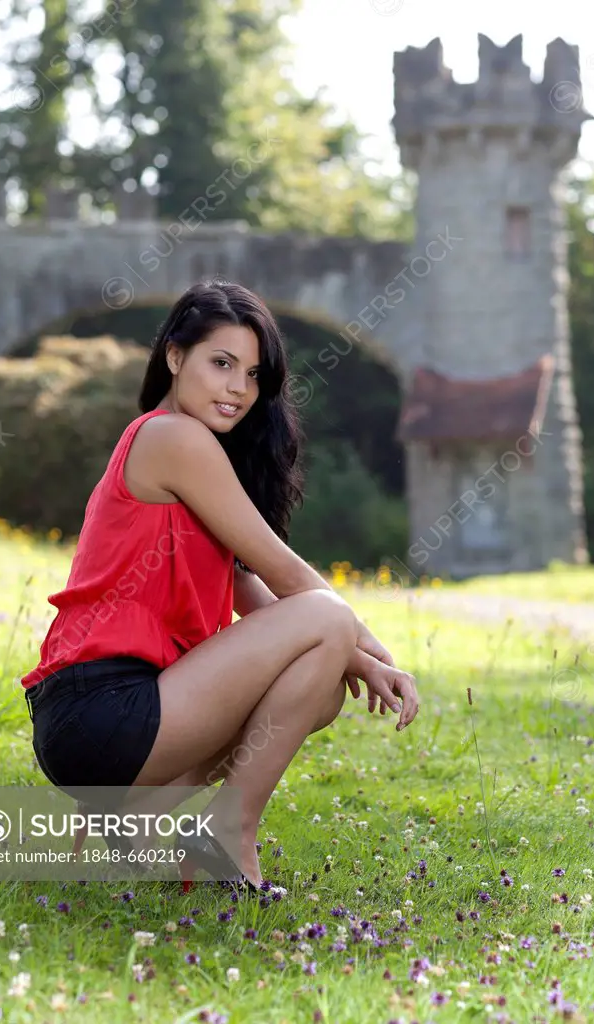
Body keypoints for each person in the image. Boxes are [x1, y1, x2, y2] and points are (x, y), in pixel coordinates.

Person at [21, 278, 419, 891]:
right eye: (222, 363)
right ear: (175, 357)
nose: (239, 388)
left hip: (118, 714)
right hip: (101, 708)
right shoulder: (173, 437)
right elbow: (287, 573)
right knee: (327, 618)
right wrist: (380, 653)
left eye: (254, 375)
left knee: (322, 687)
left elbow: (257, 595)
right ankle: (225, 837)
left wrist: (355, 659)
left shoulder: (191, 455)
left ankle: (130, 823)